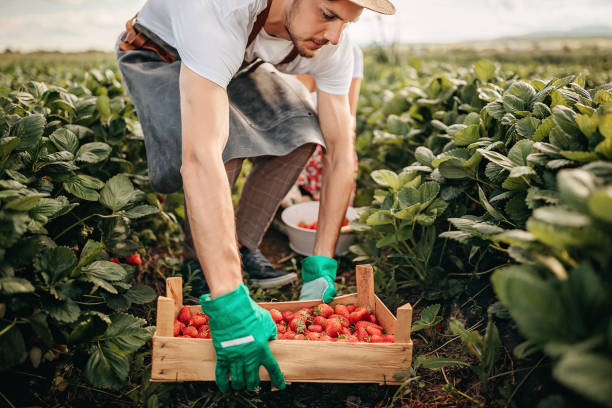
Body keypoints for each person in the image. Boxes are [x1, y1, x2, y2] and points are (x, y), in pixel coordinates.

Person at [115, 0, 395, 392]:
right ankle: (204, 266)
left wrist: (322, 259)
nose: (334, 35)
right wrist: (230, 304)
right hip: (159, 54)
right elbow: (200, 157)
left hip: (238, 58)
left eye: (347, 23)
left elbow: (340, 148)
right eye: (328, 14)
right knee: (219, 146)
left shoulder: (332, 44)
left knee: (302, 133)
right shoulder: (219, 8)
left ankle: (240, 245)